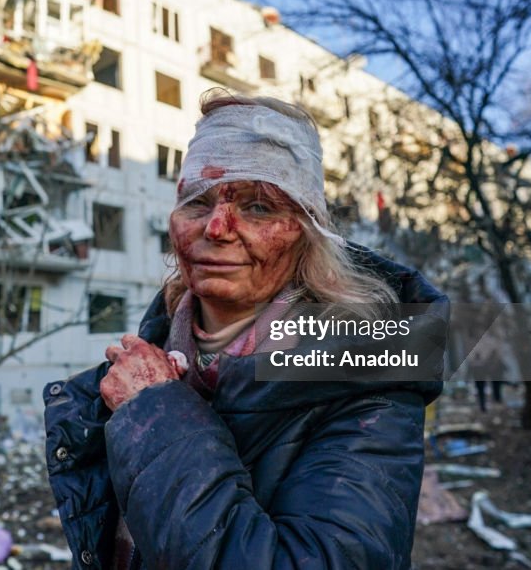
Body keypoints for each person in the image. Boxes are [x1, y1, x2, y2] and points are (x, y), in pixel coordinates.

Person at [44, 92, 448, 569]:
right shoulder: (144, 364)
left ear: (308, 233)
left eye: (258, 207)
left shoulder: (367, 387)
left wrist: (156, 414)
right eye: (197, 202)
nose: (216, 227)